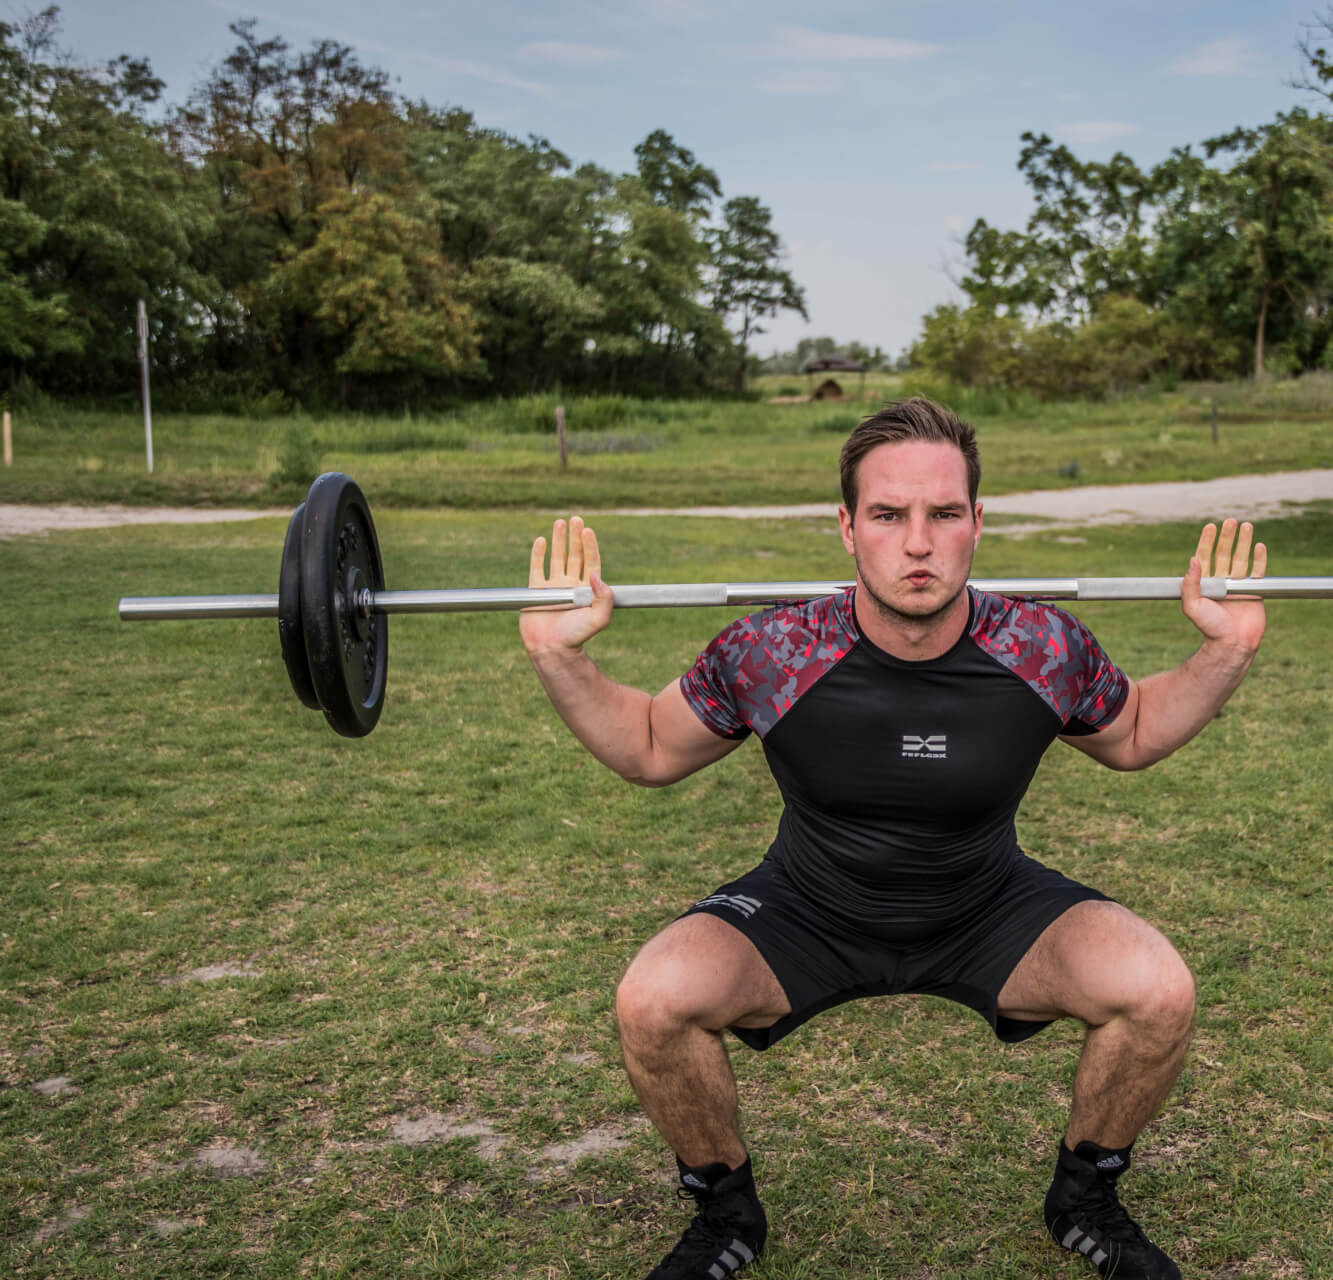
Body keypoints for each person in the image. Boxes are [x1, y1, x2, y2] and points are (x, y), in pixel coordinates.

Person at [519, 398, 1267, 1280]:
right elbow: (647, 747)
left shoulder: (1040, 645)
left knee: (1157, 989)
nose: (919, 544)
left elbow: (1134, 732)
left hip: (987, 906)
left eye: (944, 515)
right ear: (847, 528)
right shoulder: (775, 650)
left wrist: (1228, 648)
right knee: (653, 1000)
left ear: (978, 523)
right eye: (889, 515)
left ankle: (1086, 1196)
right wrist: (559, 656)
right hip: (807, 909)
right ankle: (725, 1214)